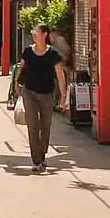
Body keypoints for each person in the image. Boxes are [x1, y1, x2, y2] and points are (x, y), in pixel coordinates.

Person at [15, 23, 68, 173]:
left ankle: (42, 154)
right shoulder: (28, 51)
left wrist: (63, 96)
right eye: (33, 31)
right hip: (29, 92)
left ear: (45, 34)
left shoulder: (53, 54)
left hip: (47, 94)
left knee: (45, 127)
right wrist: (16, 84)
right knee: (33, 125)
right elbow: (21, 68)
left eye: (36, 31)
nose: (33, 33)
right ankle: (36, 160)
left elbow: (60, 75)